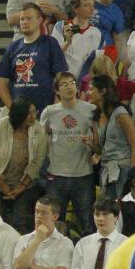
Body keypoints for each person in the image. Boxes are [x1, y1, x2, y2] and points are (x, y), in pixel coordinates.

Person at [39, 72, 98, 238]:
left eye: (72, 82)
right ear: (57, 91)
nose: (69, 86)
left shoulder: (91, 110)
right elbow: (40, 139)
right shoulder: (49, 112)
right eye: (64, 84)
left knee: (88, 223)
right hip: (57, 175)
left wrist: (93, 147)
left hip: (83, 174)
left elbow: (101, 138)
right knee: (55, 224)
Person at [0, 97, 47, 233]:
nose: (33, 117)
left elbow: (37, 163)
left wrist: (21, 187)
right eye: (28, 113)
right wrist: (3, 186)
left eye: (35, 112)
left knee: (21, 219)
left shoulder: (39, 129)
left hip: (26, 185)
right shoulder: (0, 127)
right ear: (19, 113)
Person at [0, 3, 68, 113]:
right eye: (22, 19)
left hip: (46, 110)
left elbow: (61, 76)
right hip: (19, 113)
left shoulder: (50, 43)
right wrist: (12, 109)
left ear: (39, 20)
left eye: (29, 18)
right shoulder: (12, 48)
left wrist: (55, 107)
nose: (24, 22)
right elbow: (2, 82)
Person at [90, 74, 135, 200]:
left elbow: (134, 145)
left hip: (125, 168)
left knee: (125, 209)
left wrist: (134, 175)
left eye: (91, 89)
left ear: (103, 91)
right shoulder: (96, 117)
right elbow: (100, 150)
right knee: (110, 210)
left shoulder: (120, 113)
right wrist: (90, 144)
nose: (88, 92)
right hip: (106, 168)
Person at [13, 196, 74, 269]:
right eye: (37, 212)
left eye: (44, 213)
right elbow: (19, 266)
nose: (38, 216)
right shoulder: (23, 239)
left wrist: (31, 265)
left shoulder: (65, 243)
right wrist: (37, 240)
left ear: (55, 217)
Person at [70, 197, 127, 269]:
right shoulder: (82, 244)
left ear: (116, 217)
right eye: (97, 214)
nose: (100, 219)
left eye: (105, 214)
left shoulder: (126, 244)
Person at [52, 0, 102, 83]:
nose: (92, 9)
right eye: (86, 5)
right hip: (64, 80)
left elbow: (95, 61)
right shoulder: (62, 26)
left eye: (93, 5)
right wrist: (67, 43)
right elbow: (54, 55)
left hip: (85, 82)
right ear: (75, 8)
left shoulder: (96, 32)